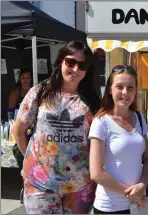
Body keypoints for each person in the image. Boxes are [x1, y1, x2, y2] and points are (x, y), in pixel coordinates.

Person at [12, 40, 101, 214]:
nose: (75, 70)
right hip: (40, 186)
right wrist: (36, 161)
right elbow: (18, 130)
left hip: (80, 187)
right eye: (71, 62)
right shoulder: (40, 92)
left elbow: (97, 140)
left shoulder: (92, 99)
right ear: (60, 61)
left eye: (82, 65)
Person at [89, 65, 148, 214]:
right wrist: (132, 194)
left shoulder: (139, 118)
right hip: (110, 206)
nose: (125, 92)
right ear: (110, 90)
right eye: (119, 87)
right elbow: (96, 173)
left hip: (138, 205)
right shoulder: (101, 122)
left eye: (130, 87)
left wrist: (143, 185)